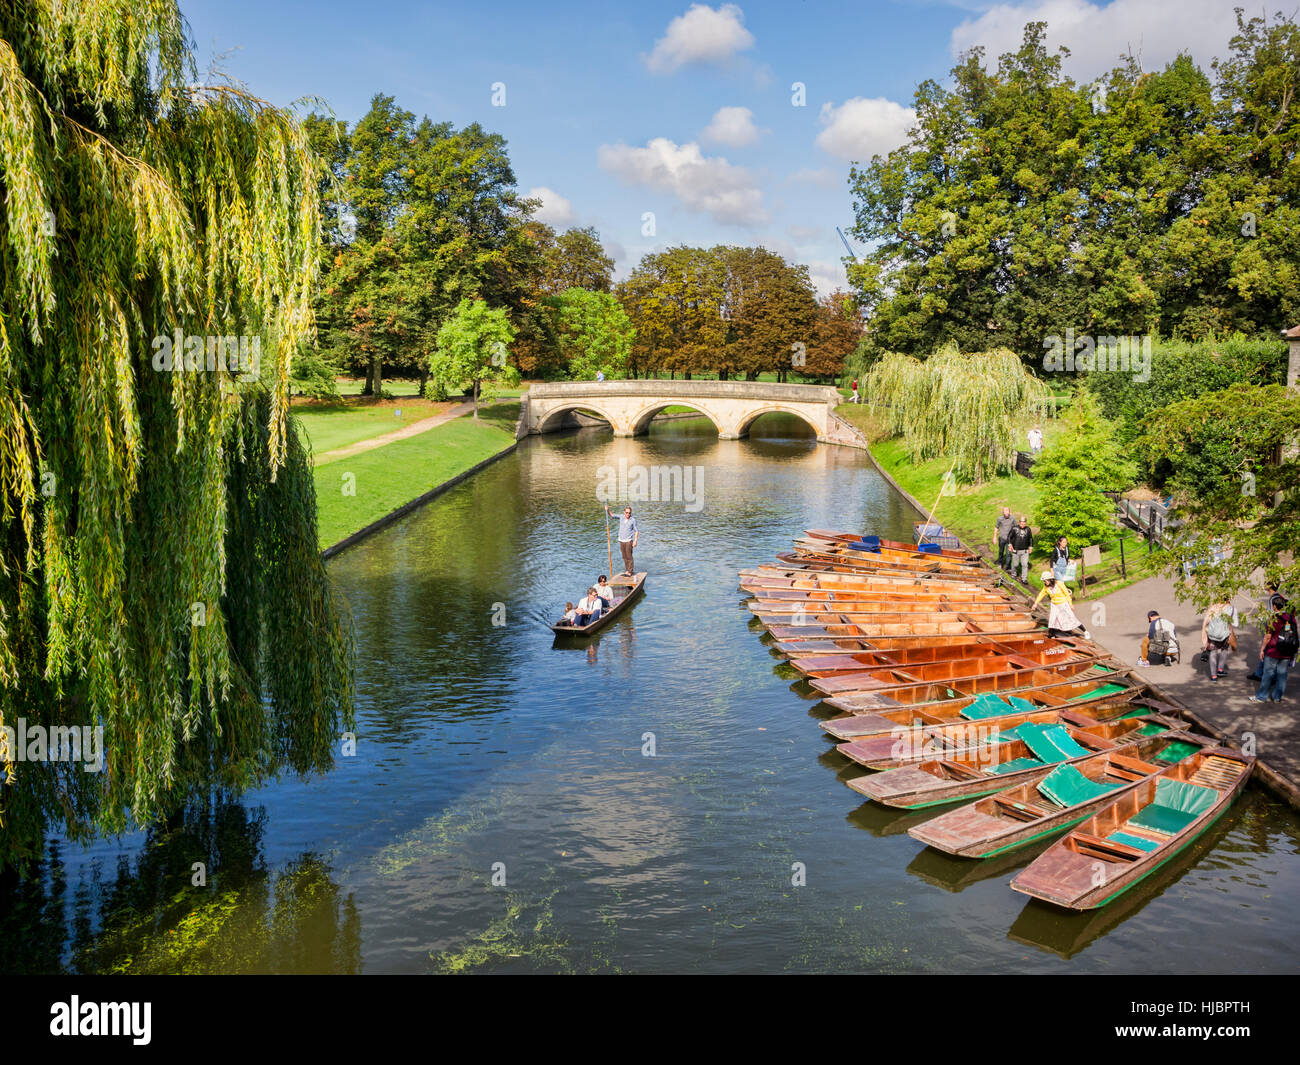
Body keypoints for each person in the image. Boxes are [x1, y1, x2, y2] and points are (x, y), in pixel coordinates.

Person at [1250, 595, 1298, 703]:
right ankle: (1277, 697)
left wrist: (1262, 649)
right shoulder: (1291, 618)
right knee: (1282, 674)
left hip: (1273, 651)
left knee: (1268, 674)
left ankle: (1261, 696)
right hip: (1286, 651)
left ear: (1275, 606)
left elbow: (1268, 636)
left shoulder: (1274, 618)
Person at [1032, 571, 1089, 639]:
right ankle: (1052, 636)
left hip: (1063, 604)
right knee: (1052, 620)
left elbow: (1066, 594)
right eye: (1044, 581)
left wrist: (1070, 604)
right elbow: (1041, 595)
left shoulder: (1059, 584)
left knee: (1071, 618)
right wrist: (1035, 603)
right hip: (1054, 605)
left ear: (1050, 580)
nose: (1044, 582)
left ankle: (1085, 631)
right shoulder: (1046, 587)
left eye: (1045, 581)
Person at [1200, 601, 1237, 681]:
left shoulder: (1212, 607)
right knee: (1224, 650)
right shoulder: (1231, 608)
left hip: (1212, 635)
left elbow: (1206, 621)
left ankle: (1213, 676)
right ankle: (1220, 670)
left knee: (1213, 653)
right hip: (1225, 635)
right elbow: (1235, 623)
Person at [606, 504, 639, 576]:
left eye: (629, 513)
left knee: (629, 556)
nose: (628, 514)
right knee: (624, 556)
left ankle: (630, 571)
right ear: (624, 512)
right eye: (627, 512)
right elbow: (612, 515)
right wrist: (607, 510)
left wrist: (635, 540)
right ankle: (627, 570)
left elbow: (636, 531)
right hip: (621, 540)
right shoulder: (621, 517)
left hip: (628, 540)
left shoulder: (633, 520)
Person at [1005, 516, 1033, 582]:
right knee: (1015, 564)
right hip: (1016, 550)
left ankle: (1024, 578)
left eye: (1024, 523)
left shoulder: (1028, 529)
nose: (1023, 524)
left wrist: (1031, 547)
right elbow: (1009, 537)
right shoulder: (1014, 528)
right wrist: (1010, 544)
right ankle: (1013, 575)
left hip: (1025, 550)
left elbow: (1030, 538)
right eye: (1021, 523)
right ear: (1019, 522)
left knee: (1025, 565)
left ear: (1025, 523)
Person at [994, 507, 1015, 571]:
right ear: (1003, 512)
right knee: (1001, 551)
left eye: (1007, 511)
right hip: (1002, 538)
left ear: (1009, 511)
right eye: (1005, 511)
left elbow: (1016, 527)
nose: (1006, 512)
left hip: (1010, 540)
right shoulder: (1000, 519)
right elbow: (996, 527)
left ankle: (1008, 567)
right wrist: (994, 537)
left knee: (1009, 554)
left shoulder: (1012, 518)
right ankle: (1000, 564)